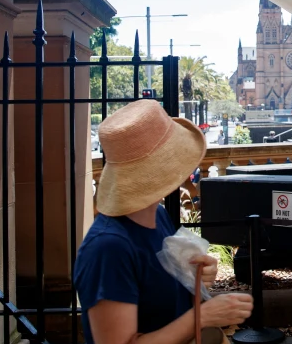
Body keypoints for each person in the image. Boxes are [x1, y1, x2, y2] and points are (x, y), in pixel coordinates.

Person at [74, 99, 253, 344]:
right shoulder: (108, 248)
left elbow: (163, 289)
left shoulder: (157, 215)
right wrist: (201, 317)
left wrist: (197, 274)